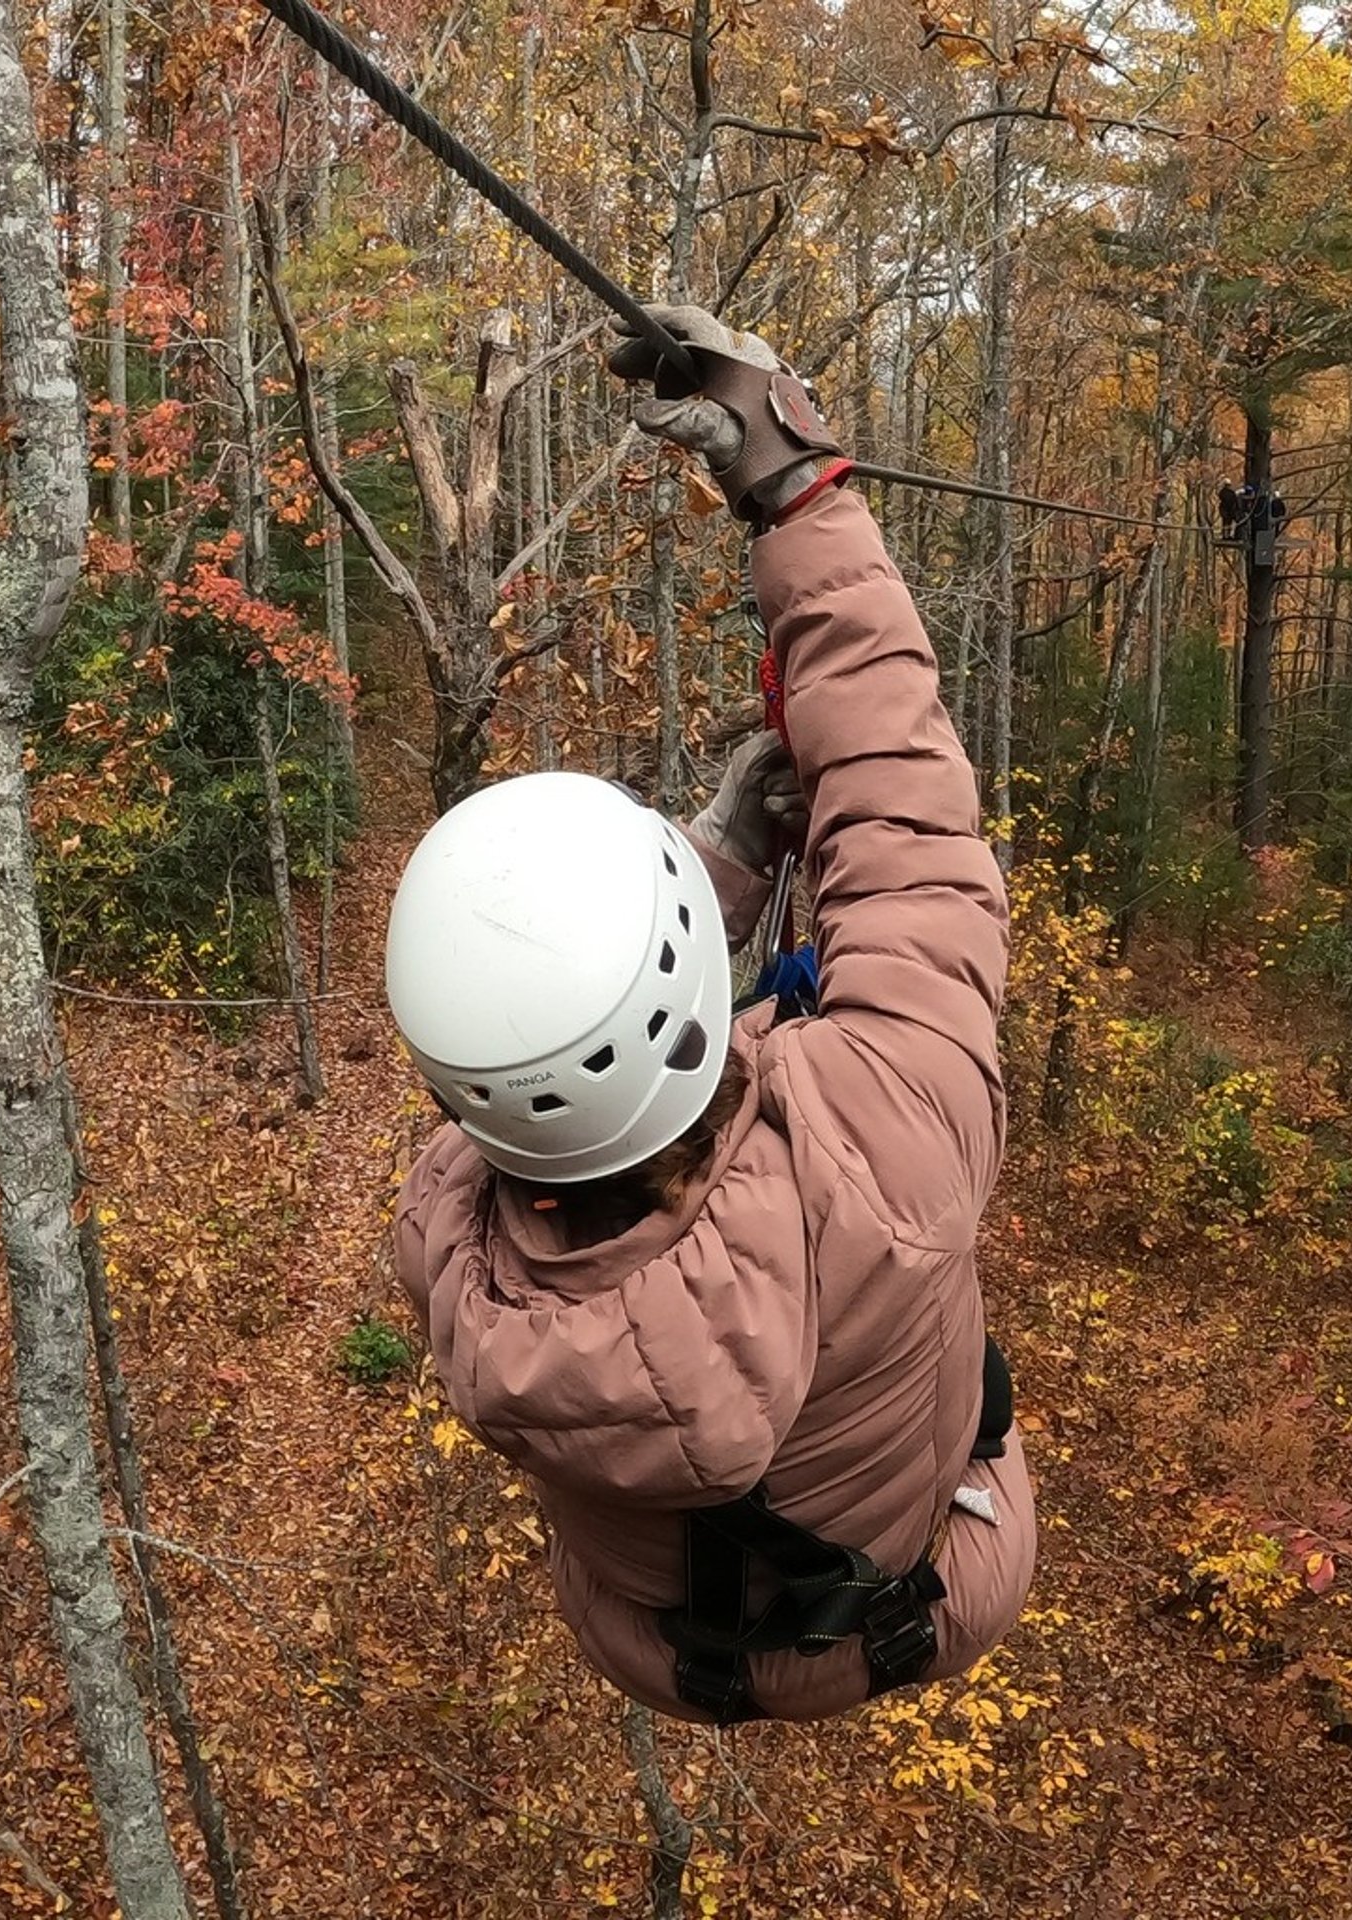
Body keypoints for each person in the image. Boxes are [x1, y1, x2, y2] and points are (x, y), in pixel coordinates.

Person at [381, 306, 1035, 1724]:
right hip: (928, 1599)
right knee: (961, 1381)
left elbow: (555, 1046)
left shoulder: (448, 1243)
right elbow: (903, 806)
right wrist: (797, 485)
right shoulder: (883, 1139)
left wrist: (724, 867)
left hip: (663, 1649)